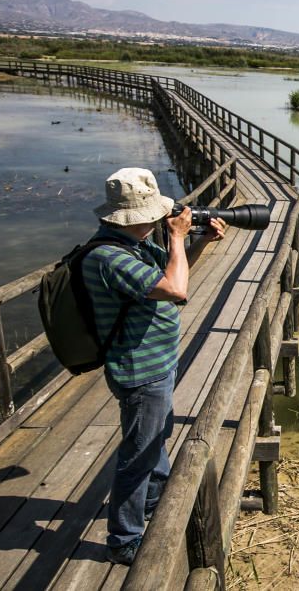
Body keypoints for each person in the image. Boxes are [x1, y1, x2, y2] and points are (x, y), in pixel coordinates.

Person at [85, 167, 226, 565]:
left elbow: (171, 276)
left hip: (158, 362)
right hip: (139, 370)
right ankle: (125, 538)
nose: (159, 220)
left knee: (157, 434)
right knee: (139, 453)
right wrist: (179, 236)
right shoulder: (110, 256)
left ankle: (153, 498)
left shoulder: (135, 243)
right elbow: (175, 289)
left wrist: (196, 243)